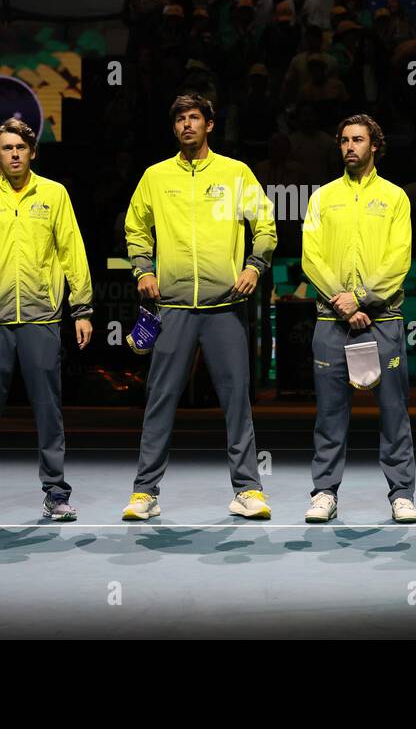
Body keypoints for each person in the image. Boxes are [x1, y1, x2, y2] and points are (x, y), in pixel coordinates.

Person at [121, 94, 277, 520]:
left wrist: (255, 265)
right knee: (160, 398)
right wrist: (142, 270)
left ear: (210, 124)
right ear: (174, 128)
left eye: (195, 118)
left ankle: (247, 489)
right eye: (180, 120)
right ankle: (144, 493)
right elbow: (136, 227)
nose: (187, 125)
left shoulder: (235, 173)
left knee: (236, 400)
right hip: (171, 307)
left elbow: (264, 225)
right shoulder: (156, 176)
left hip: (224, 307)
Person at [0, 119, 94, 522]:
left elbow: (72, 253)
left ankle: (56, 493)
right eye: (7, 148)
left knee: (48, 408)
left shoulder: (54, 195)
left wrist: (81, 309)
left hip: (41, 320)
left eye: (21, 148)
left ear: (32, 152)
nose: (14, 154)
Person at [301, 115, 416, 524]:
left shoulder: (395, 198)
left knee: (393, 412)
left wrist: (363, 298)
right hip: (332, 321)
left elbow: (399, 258)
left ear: (375, 146)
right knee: (330, 415)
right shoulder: (322, 198)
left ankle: (401, 494)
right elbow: (310, 256)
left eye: (358, 140)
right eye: (345, 140)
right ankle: (324, 493)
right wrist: (342, 302)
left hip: (383, 319)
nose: (350, 146)